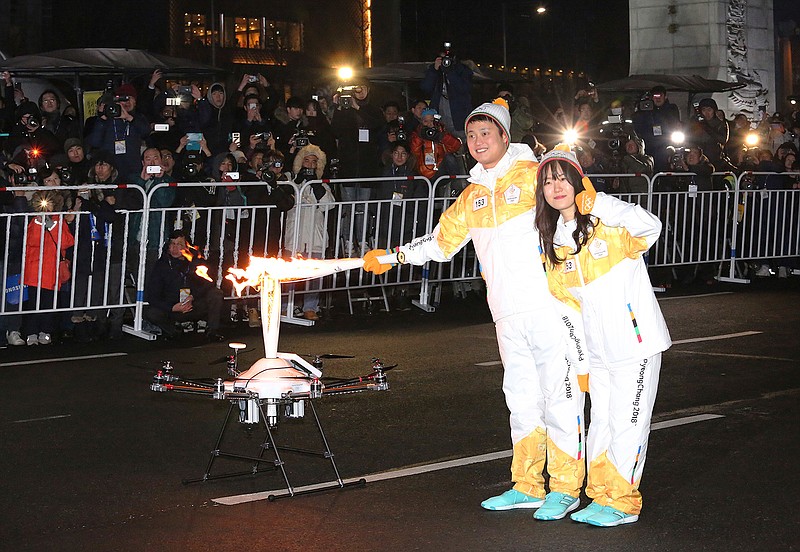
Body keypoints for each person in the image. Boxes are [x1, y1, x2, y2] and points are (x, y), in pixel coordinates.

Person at [363, 100, 586, 518]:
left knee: (560, 398)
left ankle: (567, 487)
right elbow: (440, 244)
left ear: (505, 136)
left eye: (487, 133)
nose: (478, 141)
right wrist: (394, 257)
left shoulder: (536, 175)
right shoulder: (471, 195)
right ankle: (528, 484)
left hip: (549, 306)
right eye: (471, 135)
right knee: (520, 400)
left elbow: (580, 206)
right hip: (506, 313)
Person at [534, 146, 671, 527]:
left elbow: (651, 226)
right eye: (547, 181)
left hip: (636, 345)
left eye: (562, 177)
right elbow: (568, 312)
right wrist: (581, 364)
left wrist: (602, 203)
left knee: (628, 424)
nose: (555, 186)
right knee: (603, 427)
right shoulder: (555, 243)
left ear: (579, 181)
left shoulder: (608, 221)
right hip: (598, 353)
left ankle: (624, 502)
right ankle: (601, 494)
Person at [283, 144, 335, 321]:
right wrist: (298, 181)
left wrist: (317, 185)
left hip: (315, 235)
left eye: (314, 162)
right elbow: (284, 198)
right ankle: (285, 306)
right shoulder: (290, 179)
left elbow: (329, 205)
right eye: (307, 160)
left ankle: (310, 307)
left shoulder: (322, 183)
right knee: (289, 273)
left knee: (314, 274)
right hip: (294, 234)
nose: (310, 165)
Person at [144, 230, 224, 341]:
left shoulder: (196, 262)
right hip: (173, 307)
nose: (175, 248)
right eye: (173, 244)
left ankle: (212, 331)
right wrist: (172, 307)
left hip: (193, 305)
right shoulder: (162, 265)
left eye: (180, 244)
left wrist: (193, 296)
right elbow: (152, 295)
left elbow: (209, 283)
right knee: (152, 313)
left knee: (216, 294)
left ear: (187, 247)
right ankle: (173, 331)